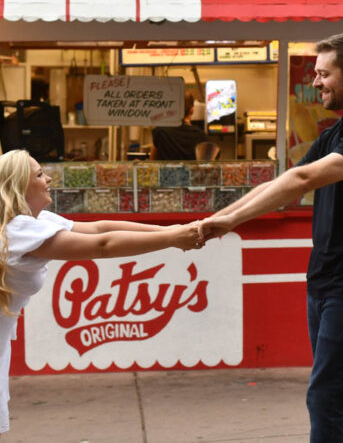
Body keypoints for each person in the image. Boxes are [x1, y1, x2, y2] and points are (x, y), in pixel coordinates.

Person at [200, 33, 343, 442]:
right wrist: (218, 218)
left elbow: (303, 177)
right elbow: (288, 182)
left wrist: (228, 222)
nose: (316, 82)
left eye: (324, 74)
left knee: (326, 395)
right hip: (325, 282)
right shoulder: (334, 135)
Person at [0, 149, 203, 436]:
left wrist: (172, 232)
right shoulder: (19, 229)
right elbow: (102, 246)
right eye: (39, 174)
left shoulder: (33, 222)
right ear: (19, 186)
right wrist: (172, 238)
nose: (49, 178)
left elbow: (98, 228)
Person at [150, 91, 207, 160]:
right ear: (192, 110)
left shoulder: (160, 131)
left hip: (166, 171)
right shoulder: (201, 135)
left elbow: (152, 162)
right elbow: (204, 166)